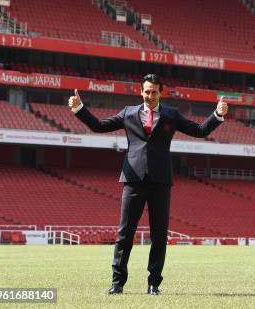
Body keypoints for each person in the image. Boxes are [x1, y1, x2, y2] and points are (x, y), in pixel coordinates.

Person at [68, 73, 227, 296]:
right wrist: (79, 109)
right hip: (133, 179)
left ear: (161, 93)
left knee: (159, 235)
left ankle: (154, 284)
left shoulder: (171, 115)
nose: (150, 96)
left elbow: (198, 131)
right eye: (146, 91)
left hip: (160, 181)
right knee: (124, 234)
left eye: (154, 92)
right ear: (141, 91)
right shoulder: (128, 113)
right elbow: (99, 126)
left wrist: (217, 115)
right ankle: (117, 283)